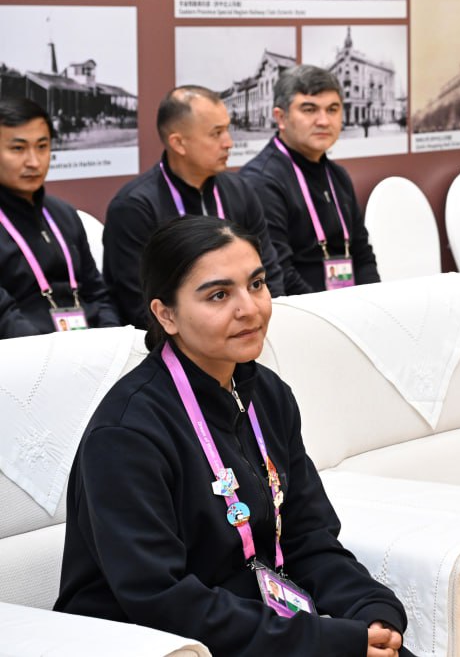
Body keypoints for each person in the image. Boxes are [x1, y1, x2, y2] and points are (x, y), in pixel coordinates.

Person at [56, 216, 414, 657]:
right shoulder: (126, 433)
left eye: (257, 284)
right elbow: (159, 599)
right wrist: (328, 641)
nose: (250, 309)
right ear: (166, 314)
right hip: (158, 641)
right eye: (219, 295)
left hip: (257, 625)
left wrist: (369, 610)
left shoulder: (267, 394)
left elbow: (307, 538)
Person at [103, 86, 284, 327]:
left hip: (249, 328)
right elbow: (139, 304)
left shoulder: (240, 191)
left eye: (227, 130)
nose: (229, 142)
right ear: (179, 143)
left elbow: (269, 271)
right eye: (216, 133)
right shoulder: (135, 208)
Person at [241, 65, 379, 295]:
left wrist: (372, 301)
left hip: (350, 304)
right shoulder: (260, 182)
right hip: (302, 309)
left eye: (332, 109)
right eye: (309, 109)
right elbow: (278, 274)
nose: (324, 121)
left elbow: (363, 254)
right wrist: (334, 310)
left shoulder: (338, 175)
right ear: (281, 117)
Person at [0, 97, 119, 338]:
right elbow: (4, 316)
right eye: (18, 149)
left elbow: (98, 294)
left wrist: (110, 339)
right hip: (26, 351)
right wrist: (51, 353)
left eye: (42, 146)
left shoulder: (64, 213)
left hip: (89, 344)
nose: (34, 162)